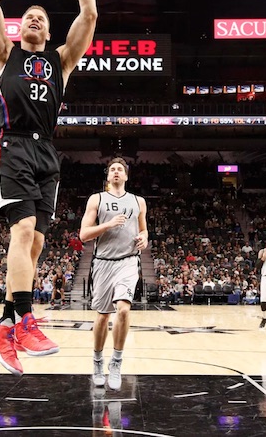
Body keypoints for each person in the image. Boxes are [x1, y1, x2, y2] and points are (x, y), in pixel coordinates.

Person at [0, 0, 98, 376]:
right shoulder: (2, 54)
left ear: (48, 33)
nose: (33, 17)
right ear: (18, 27)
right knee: (23, 229)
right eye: (28, 15)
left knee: (39, 242)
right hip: (12, 144)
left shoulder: (62, 60)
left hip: (47, 150)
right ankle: (25, 320)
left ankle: (4, 327)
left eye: (41, 18)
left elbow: (88, 15)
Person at [80, 158, 148, 390]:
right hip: (103, 262)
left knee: (124, 309)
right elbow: (84, 234)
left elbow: (144, 228)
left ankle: (116, 362)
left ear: (126, 176)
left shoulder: (138, 201)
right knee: (102, 316)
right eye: (112, 169)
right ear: (108, 177)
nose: (116, 172)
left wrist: (144, 238)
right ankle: (98, 361)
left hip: (128, 261)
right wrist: (107, 225)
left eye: (120, 169)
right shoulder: (96, 199)